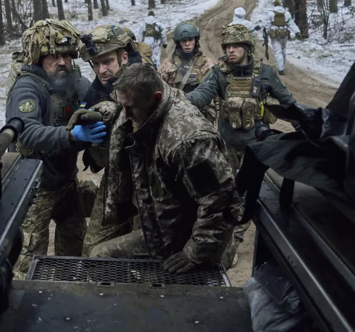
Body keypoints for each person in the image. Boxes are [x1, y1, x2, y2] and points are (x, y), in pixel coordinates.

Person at [89, 64, 242, 273]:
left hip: (191, 239)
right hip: (163, 227)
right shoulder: (147, 103)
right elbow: (125, 107)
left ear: (157, 98)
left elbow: (221, 202)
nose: (125, 114)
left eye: (131, 108)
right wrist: (103, 112)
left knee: (102, 258)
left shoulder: (189, 141)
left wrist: (195, 253)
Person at [186, 23, 296, 266]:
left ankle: (233, 242)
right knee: (222, 191)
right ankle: (217, 235)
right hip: (227, 145)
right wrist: (180, 99)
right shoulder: (220, 73)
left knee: (247, 195)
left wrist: (306, 126)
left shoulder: (265, 73)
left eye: (236, 45)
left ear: (247, 47)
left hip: (256, 148)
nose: (231, 50)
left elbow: (289, 103)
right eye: (227, 46)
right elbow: (202, 95)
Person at [6, 19, 105, 277]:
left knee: (74, 245)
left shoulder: (71, 79)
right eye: (53, 56)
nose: (62, 61)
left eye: (67, 55)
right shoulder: (28, 86)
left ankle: (67, 290)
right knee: (27, 257)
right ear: (39, 57)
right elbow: (26, 132)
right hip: (34, 186)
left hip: (65, 181)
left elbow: (98, 95)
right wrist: (72, 135)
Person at [77, 25, 141, 255]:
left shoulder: (144, 86)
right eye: (96, 64)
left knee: (147, 255)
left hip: (148, 184)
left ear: (124, 58)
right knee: (92, 249)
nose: (101, 70)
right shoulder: (97, 89)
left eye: (107, 62)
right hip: (114, 180)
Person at [157, 22, 216, 122]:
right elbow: (159, 90)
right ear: (178, 42)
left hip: (201, 116)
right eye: (183, 41)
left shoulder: (206, 63)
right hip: (175, 115)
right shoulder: (167, 65)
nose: (187, 44)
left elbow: (215, 93)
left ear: (195, 40)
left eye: (190, 40)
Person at [264, 0, 300, 75]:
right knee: (283, 49)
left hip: (274, 34)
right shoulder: (286, 13)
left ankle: (280, 69)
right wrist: (297, 31)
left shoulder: (270, 13)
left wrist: (266, 33)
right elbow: (291, 23)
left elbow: (268, 25)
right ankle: (282, 65)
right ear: (280, 5)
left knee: (278, 51)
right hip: (284, 34)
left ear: (274, 5)